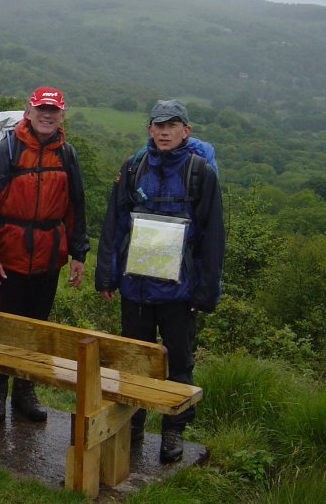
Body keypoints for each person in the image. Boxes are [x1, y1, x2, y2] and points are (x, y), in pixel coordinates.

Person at [94, 99, 224, 463]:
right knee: (134, 360)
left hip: (179, 292)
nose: (165, 131)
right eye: (158, 125)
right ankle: (132, 425)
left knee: (179, 362)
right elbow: (114, 223)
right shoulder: (133, 168)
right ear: (149, 130)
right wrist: (106, 274)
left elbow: (213, 237)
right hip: (135, 288)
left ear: (186, 130)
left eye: (172, 125)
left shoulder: (200, 173)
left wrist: (207, 291)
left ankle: (173, 430)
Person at [0, 86, 89, 423]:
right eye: (41, 109)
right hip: (8, 257)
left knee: (36, 327)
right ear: (29, 110)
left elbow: (76, 205)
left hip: (47, 258)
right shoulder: (7, 150)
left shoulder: (67, 154)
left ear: (62, 114)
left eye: (53, 110)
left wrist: (78, 253)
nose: (47, 115)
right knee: (4, 327)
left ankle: (25, 390)